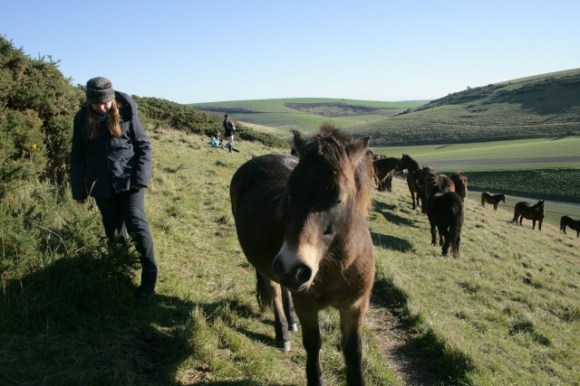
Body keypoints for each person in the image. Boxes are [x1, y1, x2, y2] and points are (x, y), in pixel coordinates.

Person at [70, 76, 157, 300]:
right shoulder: (81, 119)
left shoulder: (127, 113)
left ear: (112, 99)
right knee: (113, 231)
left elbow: (144, 147)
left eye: (106, 103)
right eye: (97, 103)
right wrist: (79, 190)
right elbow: (77, 156)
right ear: (89, 101)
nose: (102, 107)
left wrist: (140, 178)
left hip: (130, 182)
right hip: (101, 186)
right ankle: (120, 270)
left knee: (137, 226)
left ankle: (149, 278)